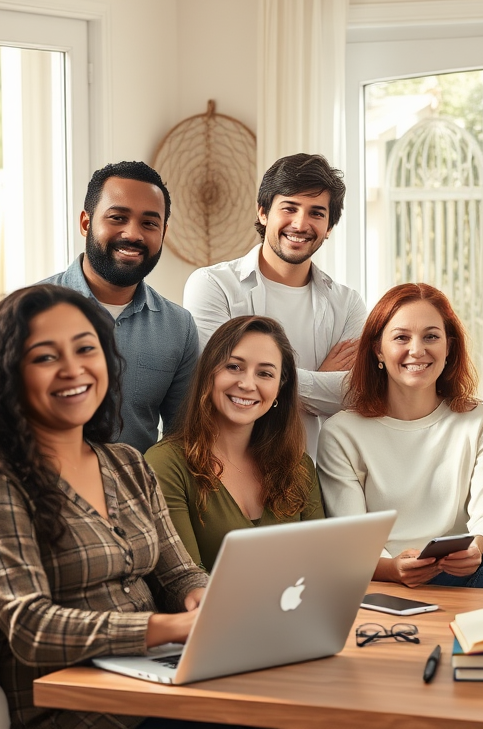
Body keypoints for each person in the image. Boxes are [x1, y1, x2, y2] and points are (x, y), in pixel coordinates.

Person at [0, 284, 230, 729]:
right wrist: (168, 630)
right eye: (46, 357)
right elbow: (30, 626)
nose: (73, 369)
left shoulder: (125, 462)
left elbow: (177, 571)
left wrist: (201, 600)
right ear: (7, 372)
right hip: (75, 707)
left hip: (156, 678)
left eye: (86, 349)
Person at [317, 283, 483, 591]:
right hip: (383, 576)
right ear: (378, 349)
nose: (417, 350)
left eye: (431, 336)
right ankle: (465, 632)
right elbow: (354, 541)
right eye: (401, 338)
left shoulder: (480, 421)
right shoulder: (342, 432)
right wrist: (393, 570)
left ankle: (459, 630)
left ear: (449, 348)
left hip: (464, 574)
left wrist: (475, 546)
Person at [183, 154, 367, 458]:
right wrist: (320, 378)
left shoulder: (348, 304)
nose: (300, 223)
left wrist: (263, 382)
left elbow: (357, 393)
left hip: (318, 478)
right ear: (264, 212)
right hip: (231, 472)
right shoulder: (213, 286)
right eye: (289, 208)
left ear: (330, 226)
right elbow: (219, 381)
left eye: (316, 213)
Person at [146, 316, 325, 572]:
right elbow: (183, 580)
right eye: (234, 367)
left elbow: (319, 563)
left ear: (280, 388)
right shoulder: (165, 465)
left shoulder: (299, 465)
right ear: (210, 372)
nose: (247, 384)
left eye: (265, 373)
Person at [44, 161, 199, 454]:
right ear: (86, 223)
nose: (133, 234)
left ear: (163, 232)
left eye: (149, 223)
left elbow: (182, 440)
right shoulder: (30, 310)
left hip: (138, 493)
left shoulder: (179, 328)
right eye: (117, 218)